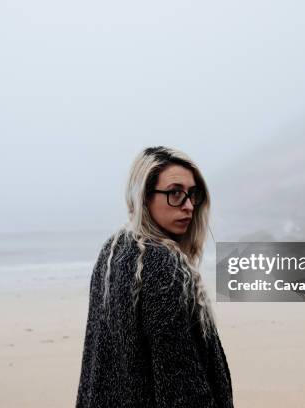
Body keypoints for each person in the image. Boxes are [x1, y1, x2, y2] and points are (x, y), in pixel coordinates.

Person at [75, 146, 234, 407]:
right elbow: (180, 381)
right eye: (174, 193)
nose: (188, 205)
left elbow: (97, 367)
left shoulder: (112, 251)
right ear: (144, 197)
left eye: (192, 194)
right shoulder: (164, 265)